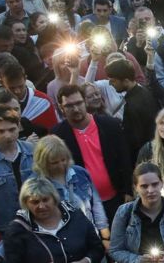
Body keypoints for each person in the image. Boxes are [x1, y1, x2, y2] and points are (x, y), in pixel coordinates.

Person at [52, 84, 132, 223]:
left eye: (78, 103)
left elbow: (124, 158)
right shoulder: (58, 135)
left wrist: (128, 190)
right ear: (61, 108)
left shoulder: (109, 125)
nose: (76, 109)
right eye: (69, 105)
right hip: (84, 206)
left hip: (117, 199)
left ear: (85, 101)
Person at [3, 177, 105, 263]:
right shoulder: (17, 230)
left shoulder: (75, 215)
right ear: (26, 203)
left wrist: (86, 261)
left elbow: (97, 248)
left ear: (54, 198)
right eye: (35, 202)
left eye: (45, 200)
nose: (41, 206)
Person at [31, 135, 110, 243]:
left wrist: (104, 233)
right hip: (63, 243)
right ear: (43, 162)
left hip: (91, 235)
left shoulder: (80, 173)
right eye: (54, 162)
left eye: (63, 160)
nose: (61, 165)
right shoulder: (36, 183)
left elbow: (96, 204)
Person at [106, 58, 161, 158]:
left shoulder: (132, 106)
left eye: (113, 81)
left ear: (126, 81)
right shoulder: (144, 91)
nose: (110, 84)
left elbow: (134, 142)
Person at [0, 62, 59, 131]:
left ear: (25, 79)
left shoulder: (43, 102)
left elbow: (54, 131)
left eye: (20, 86)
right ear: (2, 83)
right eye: (12, 88)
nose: (17, 91)